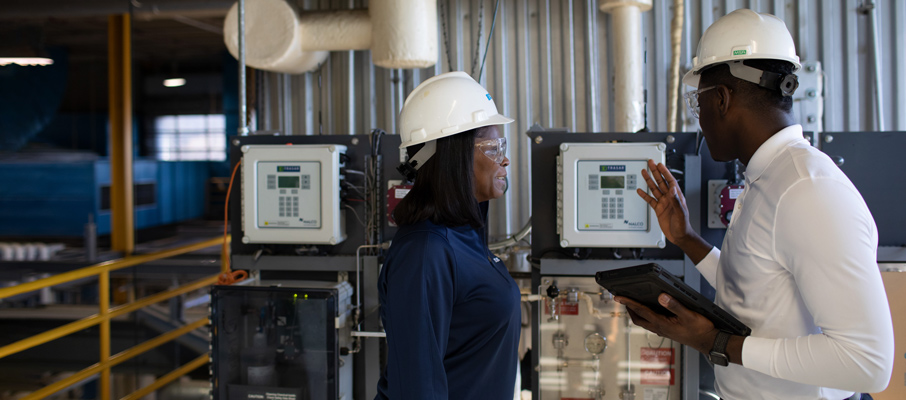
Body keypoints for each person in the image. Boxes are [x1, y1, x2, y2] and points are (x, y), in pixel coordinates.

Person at [615, 9, 895, 400]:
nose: (701, 121)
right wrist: (687, 239)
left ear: (723, 100)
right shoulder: (768, 178)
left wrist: (716, 342)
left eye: (700, 104)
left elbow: (868, 363)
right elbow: (755, 289)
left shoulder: (806, 190)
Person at [375, 71, 521, 399]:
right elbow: (418, 387)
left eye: (504, 146)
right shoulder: (426, 252)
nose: (505, 160)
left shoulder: (465, 234)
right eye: (494, 148)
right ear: (452, 157)